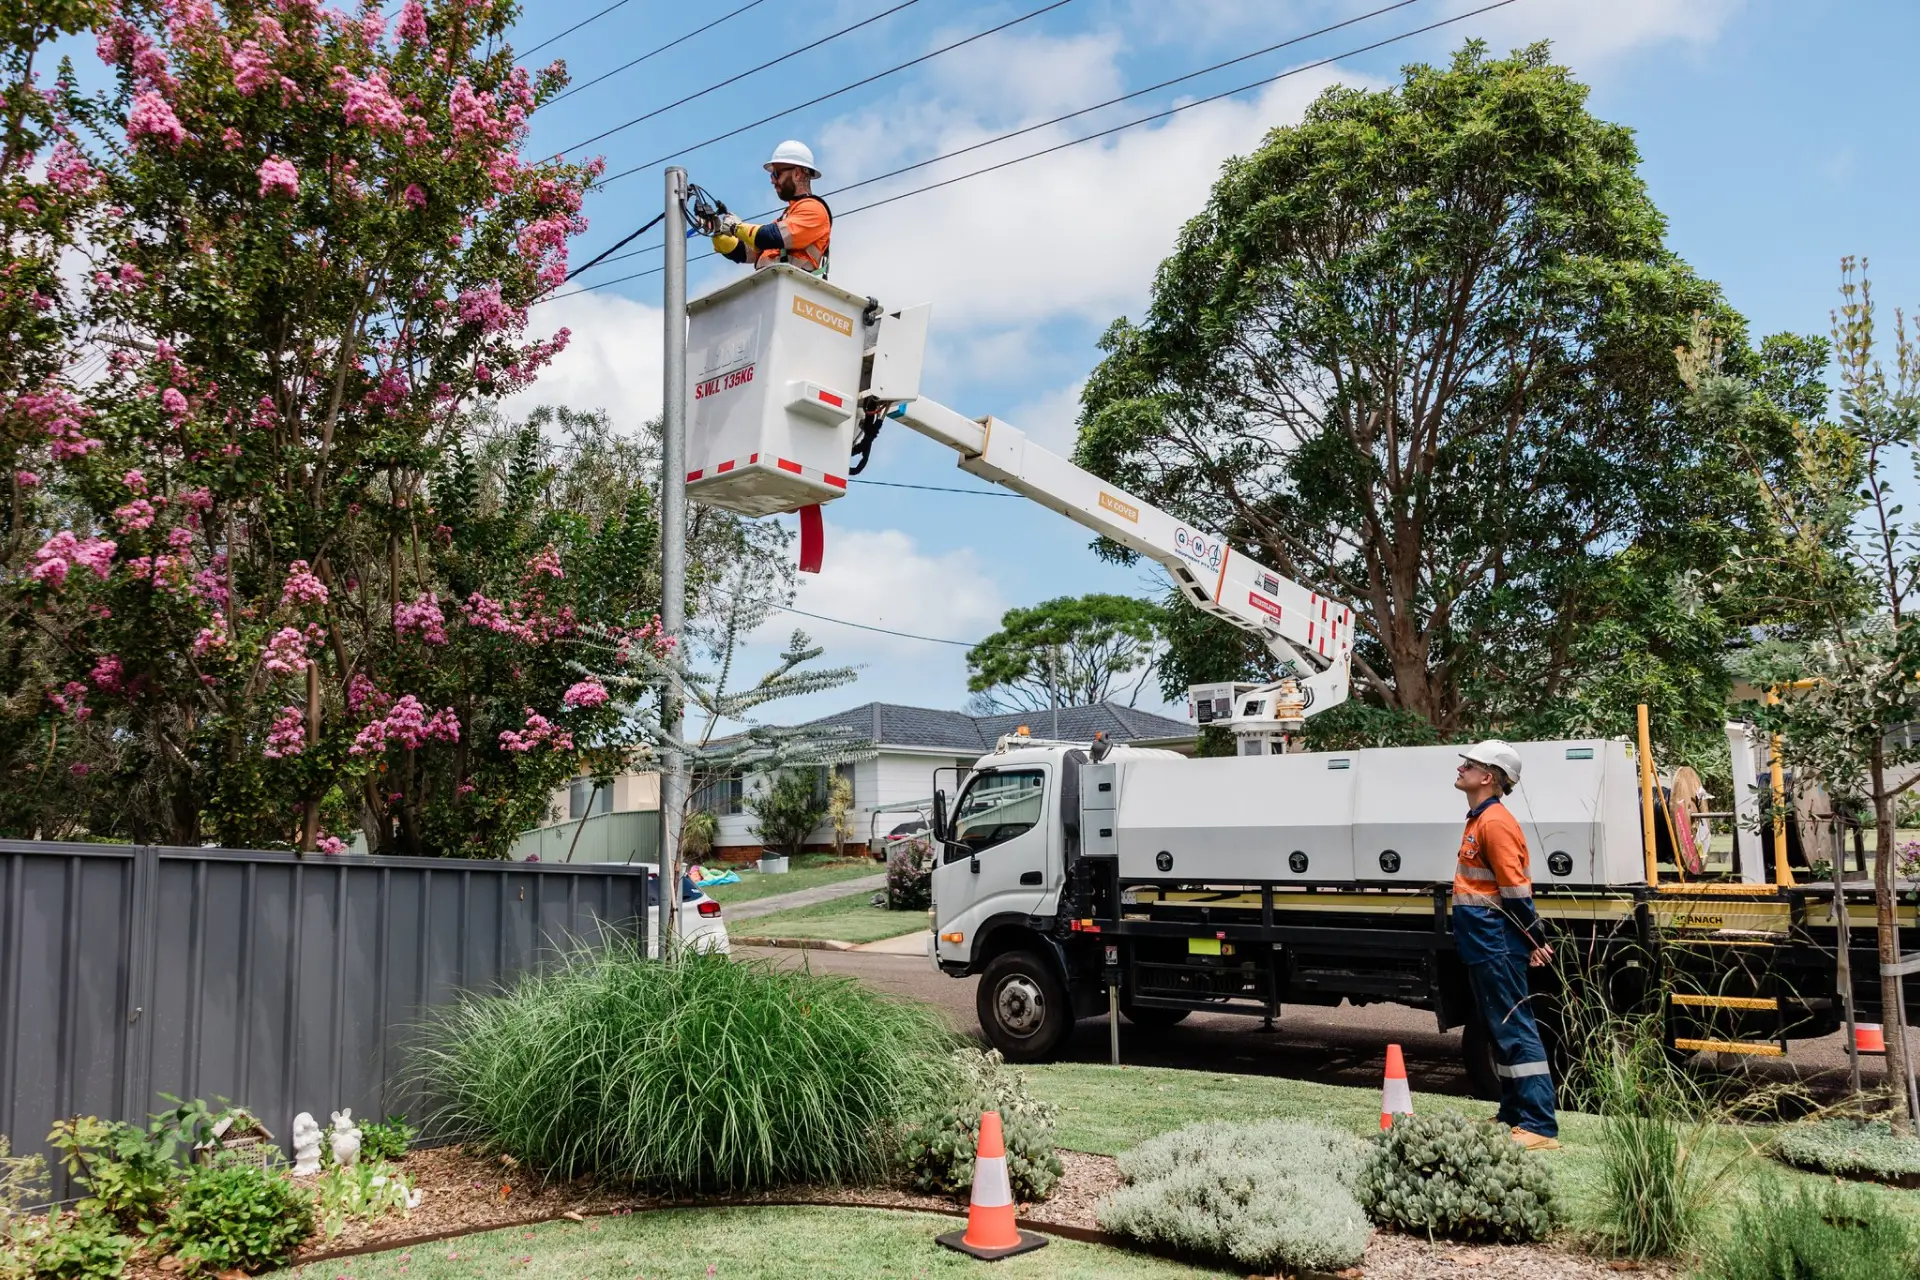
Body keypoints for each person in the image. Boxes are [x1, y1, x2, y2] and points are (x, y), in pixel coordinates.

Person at [1451, 740, 1560, 1150]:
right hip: (1483, 941)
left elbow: (1515, 891)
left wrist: (1535, 938)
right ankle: (1512, 1115)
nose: (1461, 768)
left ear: (1488, 777)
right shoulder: (1480, 818)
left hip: (1495, 940)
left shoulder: (1494, 823)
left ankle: (1540, 1125)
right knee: (1500, 1030)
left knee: (1515, 1029)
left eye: (1469, 764)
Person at [710, 140, 832, 277]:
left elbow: (770, 236)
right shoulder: (786, 218)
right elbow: (743, 252)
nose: (772, 180)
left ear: (797, 173)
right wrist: (717, 231)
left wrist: (735, 227)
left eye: (776, 174)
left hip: (791, 286)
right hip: (772, 286)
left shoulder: (814, 210)